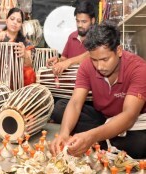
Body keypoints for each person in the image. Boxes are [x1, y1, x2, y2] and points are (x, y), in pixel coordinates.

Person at [50, 21, 146, 159]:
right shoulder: (87, 66)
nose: (99, 66)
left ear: (118, 51)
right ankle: (104, 139)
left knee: (140, 145)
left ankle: (98, 140)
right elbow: (76, 103)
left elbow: (129, 116)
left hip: (133, 123)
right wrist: (64, 133)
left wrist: (91, 136)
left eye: (105, 59)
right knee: (60, 108)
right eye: (94, 60)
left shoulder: (139, 68)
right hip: (103, 118)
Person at [47, 0, 95, 75]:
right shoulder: (72, 36)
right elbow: (64, 59)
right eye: (78, 21)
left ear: (93, 20)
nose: (80, 25)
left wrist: (69, 62)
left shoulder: (98, 37)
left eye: (84, 22)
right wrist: (58, 61)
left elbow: (92, 53)